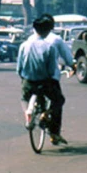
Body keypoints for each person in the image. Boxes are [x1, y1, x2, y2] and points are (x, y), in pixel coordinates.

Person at [17, 13, 73, 145]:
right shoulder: (50, 46)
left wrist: (24, 78)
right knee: (59, 100)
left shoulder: (24, 45)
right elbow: (52, 69)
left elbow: (19, 68)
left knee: (24, 98)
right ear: (48, 30)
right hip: (45, 82)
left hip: (28, 81)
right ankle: (47, 116)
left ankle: (28, 114)